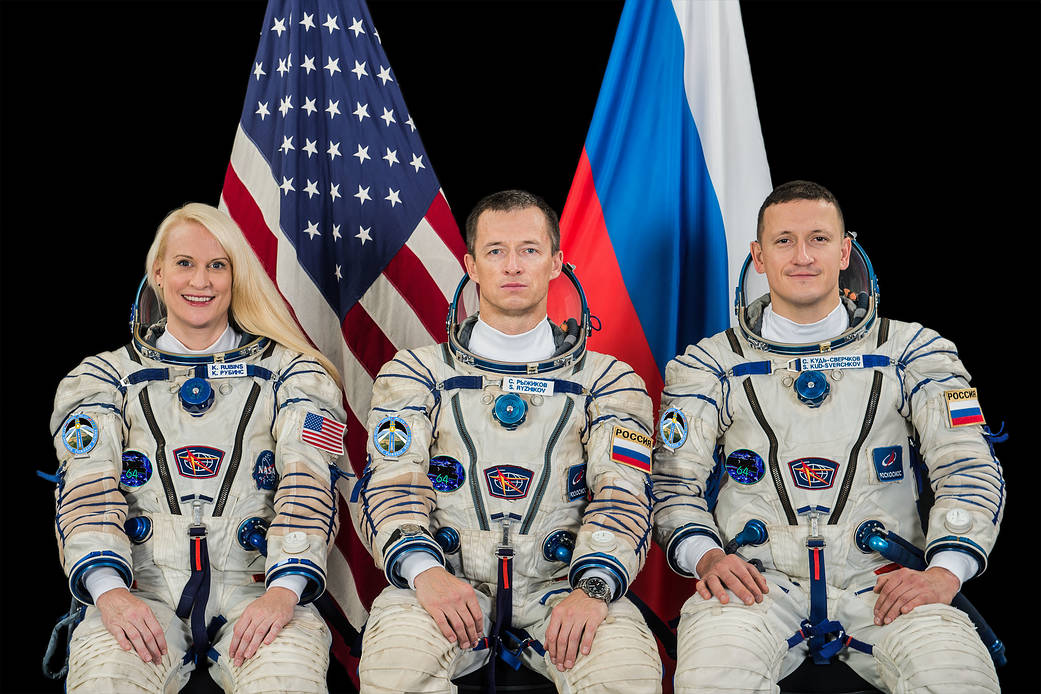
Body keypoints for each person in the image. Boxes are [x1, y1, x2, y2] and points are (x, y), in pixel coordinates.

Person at [653, 181, 1003, 693]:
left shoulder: (912, 352)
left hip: (886, 581)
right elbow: (673, 486)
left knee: (957, 677)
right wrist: (708, 558)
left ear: (844, 251)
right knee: (713, 679)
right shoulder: (710, 365)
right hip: (757, 584)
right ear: (757, 255)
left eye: (818, 239)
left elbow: (967, 467)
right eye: (783, 241)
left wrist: (943, 573)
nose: (802, 256)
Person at [353, 190, 663, 693]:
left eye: (529, 250)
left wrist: (594, 587)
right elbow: (392, 485)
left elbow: (622, 494)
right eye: (496, 251)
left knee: (625, 676)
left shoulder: (608, 380)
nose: (513, 266)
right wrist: (424, 571)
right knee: (396, 672)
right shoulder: (415, 374)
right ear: (472, 265)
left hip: (563, 587)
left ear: (556, 263)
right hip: (446, 583)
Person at [49, 203, 347, 693]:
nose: (200, 281)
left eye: (217, 265)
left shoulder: (295, 374)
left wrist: (285, 590)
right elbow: (87, 492)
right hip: (139, 590)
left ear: (236, 276)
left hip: (260, 588)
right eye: (185, 263)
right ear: (159, 273)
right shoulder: (103, 378)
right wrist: (109, 593)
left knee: (287, 683)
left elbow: (309, 485)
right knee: (105, 681)